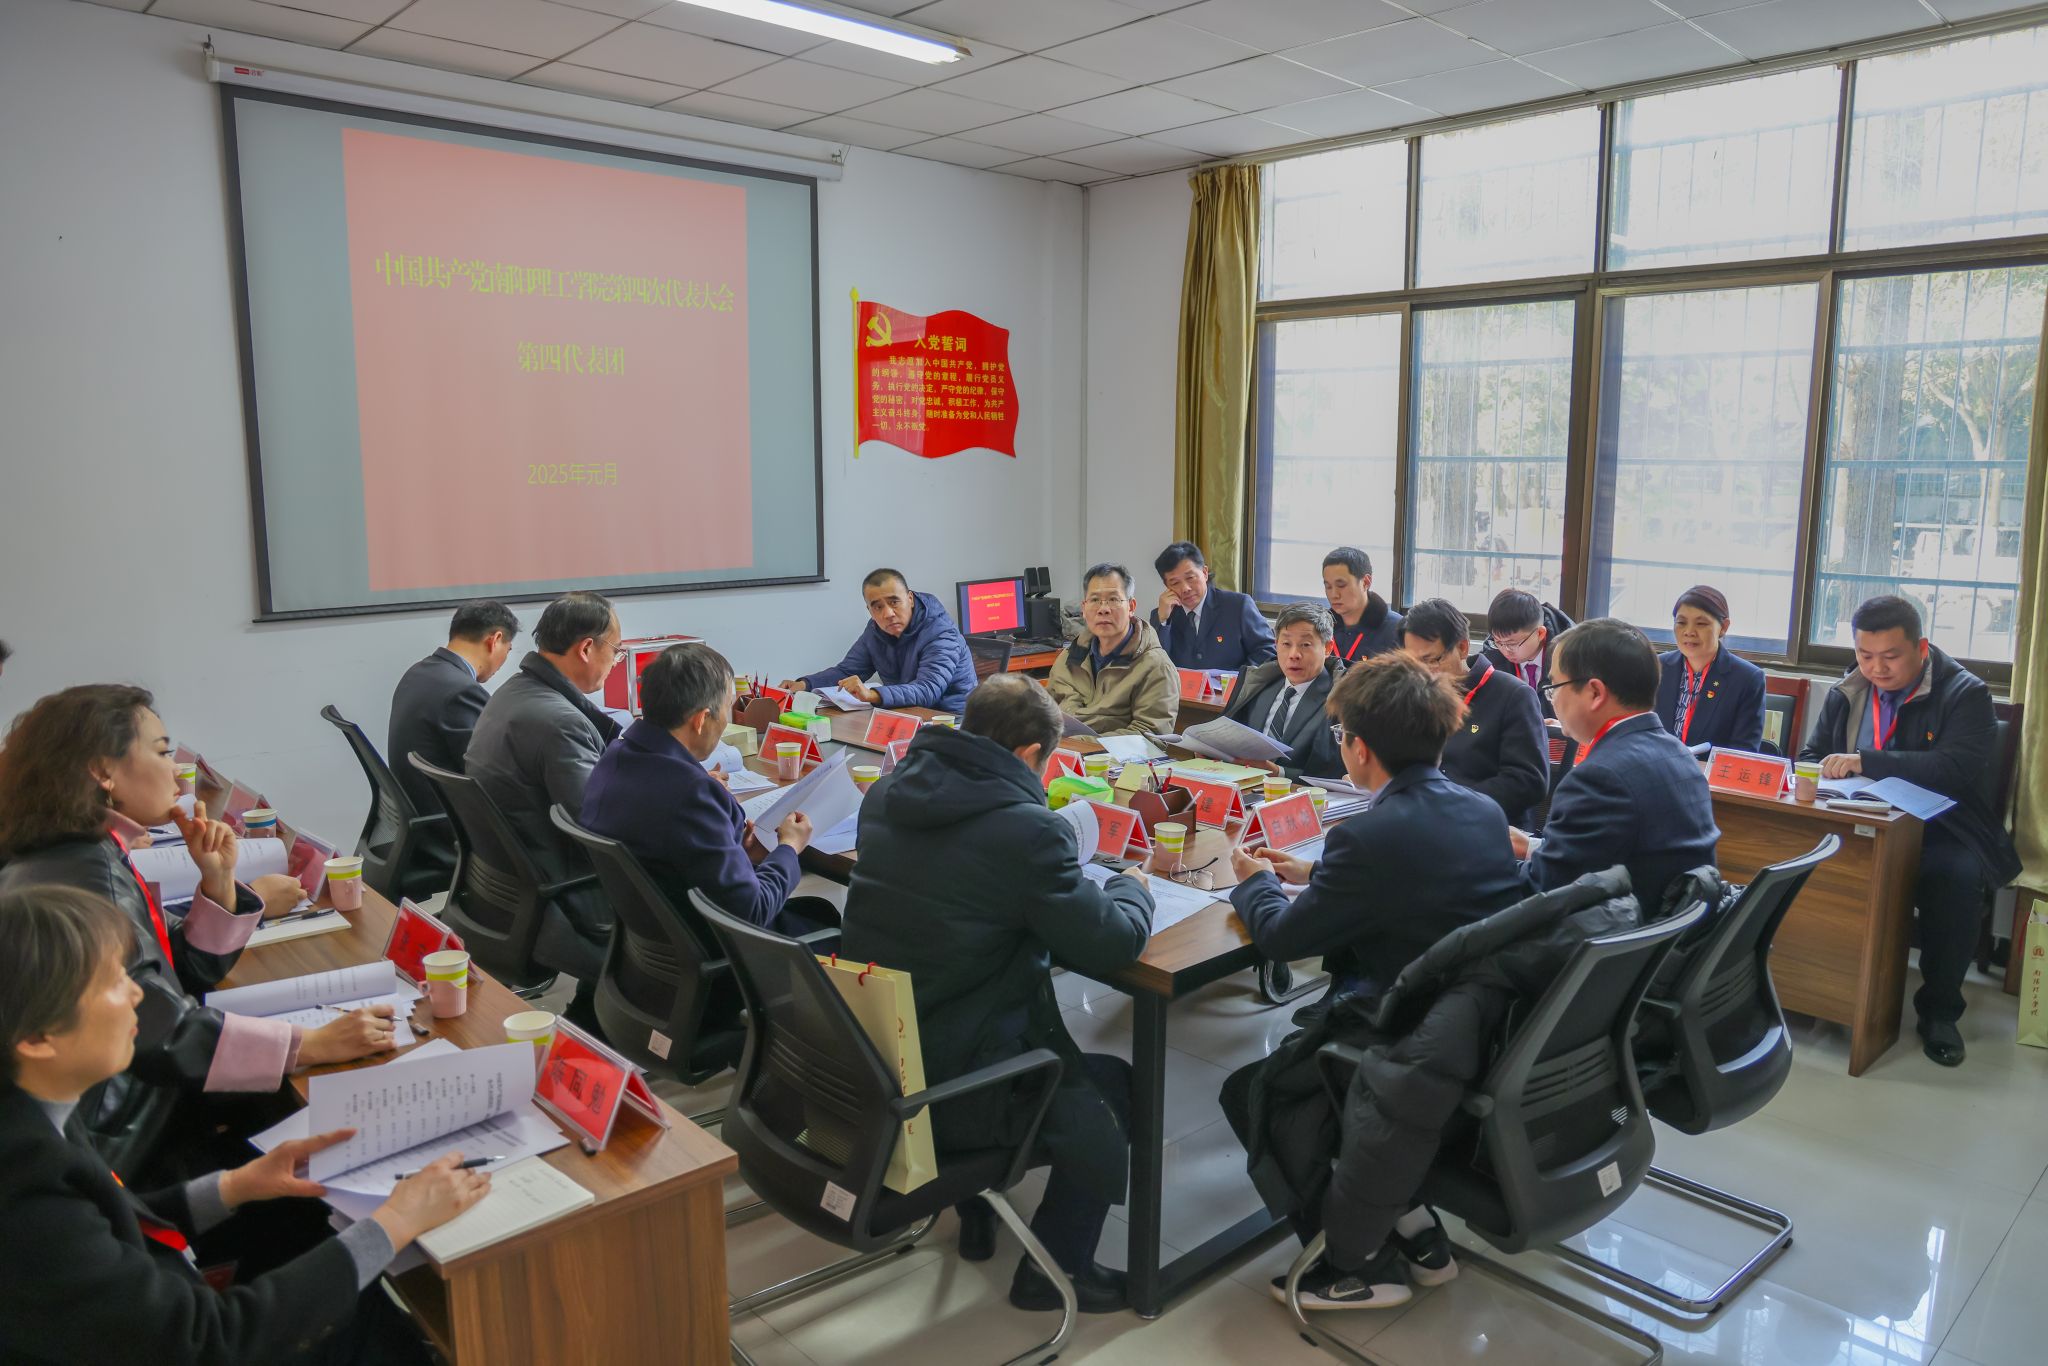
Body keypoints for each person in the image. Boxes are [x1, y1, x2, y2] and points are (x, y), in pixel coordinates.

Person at [0, 884, 490, 1366]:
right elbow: (211, 1342)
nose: (137, 994)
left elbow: (113, 1224)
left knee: (301, 1227)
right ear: (38, 1038)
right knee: (362, 1321)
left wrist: (237, 1185)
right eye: (112, 983)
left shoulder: (35, 1110)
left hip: (158, 1307)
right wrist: (396, 1222)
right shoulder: (28, 1197)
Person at [1218, 653, 1528, 1310]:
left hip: (1409, 1039)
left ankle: (1358, 1266)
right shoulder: (1480, 810)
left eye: (1340, 735)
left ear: (1358, 748)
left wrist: (1255, 883)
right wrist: (1316, 877)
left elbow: (1282, 940)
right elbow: (1416, 880)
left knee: (1250, 1091)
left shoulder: (1366, 838)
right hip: (1481, 1026)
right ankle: (1417, 1234)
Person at [839, 673, 1154, 1314]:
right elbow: (1113, 943)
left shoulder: (889, 792)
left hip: (879, 1057)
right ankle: (1057, 1268)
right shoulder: (1028, 831)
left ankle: (977, 1211)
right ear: (1030, 755)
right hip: (960, 1087)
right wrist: (1131, 888)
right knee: (1116, 1086)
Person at [0, 686, 396, 1175]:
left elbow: (176, 974)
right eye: (162, 752)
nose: (176, 772)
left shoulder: (75, 851)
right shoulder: (90, 878)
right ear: (102, 771)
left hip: (138, 1108)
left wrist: (218, 882)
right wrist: (312, 1044)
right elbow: (160, 1030)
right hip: (129, 1136)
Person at [1800, 595, 2020, 1067]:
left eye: (1890, 656)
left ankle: (1939, 1012)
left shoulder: (1965, 693)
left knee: (1955, 879)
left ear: (1921, 648)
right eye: (1865, 655)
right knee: (1802, 858)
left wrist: (1865, 761)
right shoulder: (1849, 690)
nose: (1876, 668)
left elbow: (1952, 769)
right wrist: (1819, 772)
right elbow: (1813, 755)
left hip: (1941, 828)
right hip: (1860, 822)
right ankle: (1812, 987)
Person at [582, 642, 837, 945]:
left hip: (655, 940)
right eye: (727, 708)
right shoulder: (691, 792)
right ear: (701, 720)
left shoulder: (614, 758)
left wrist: (732, 847)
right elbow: (752, 913)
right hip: (721, 949)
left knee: (817, 910)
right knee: (830, 923)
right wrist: (788, 847)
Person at [464, 591, 623, 1015]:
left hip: (510, 882)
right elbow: (600, 825)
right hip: (566, 890)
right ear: (586, 648)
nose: (616, 661)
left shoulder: (512, 693)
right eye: (616, 650)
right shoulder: (561, 721)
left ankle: (596, 1014)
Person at [1514, 619, 1718, 909]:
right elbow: (1604, 855)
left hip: (1616, 931)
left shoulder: (1599, 778)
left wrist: (1476, 860)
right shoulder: (1678, 754)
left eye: (1554, 686)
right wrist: (1533, 848)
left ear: (1595, 693)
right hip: (1667, 928)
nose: (1552, 699)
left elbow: (1544, 890)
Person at [387, 600, 519, 879]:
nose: (504, 661)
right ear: (495, 640)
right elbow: (492, 776)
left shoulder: (420, 672)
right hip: (450, 834)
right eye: (508, 650)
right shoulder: (461, 691)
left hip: (420, 822)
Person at [1400, 597, 1548, 828]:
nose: (1424, 673)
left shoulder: (1513, 695)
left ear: (1462, 647)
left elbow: (1528, 781)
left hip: (1485, 824)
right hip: (1424, 817)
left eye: (1432, 660)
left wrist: (1451, 801)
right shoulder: (1416, 694)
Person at [784, 568, 977, 713]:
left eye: (894, 602)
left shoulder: (941, 633)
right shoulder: (875, 630)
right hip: (906, 714)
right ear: (869, 610)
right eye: (877, 607)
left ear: (910, 599)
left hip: (950, 721)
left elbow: (927, 690)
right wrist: (804, 685)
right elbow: (847, 671)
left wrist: (873, 695)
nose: (888, 614)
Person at [1047, 563, 1180, 738]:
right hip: (1064, 751)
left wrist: (1082, 743)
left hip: (1114, 755)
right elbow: (1044, 713)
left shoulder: (1156, 666)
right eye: (1095, 600)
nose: (1103, 609)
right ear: (1084, 608)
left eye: (1113, 599)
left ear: (1131, 606)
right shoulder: (1068, 657)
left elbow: (1150, 736)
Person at [1219, 602, 1345, 781]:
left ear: (1327, 648)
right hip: (1244, 784)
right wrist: (1212, 753)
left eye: (1305, 645)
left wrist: (1280, 772)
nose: (1294, 654)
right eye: (1286, 643)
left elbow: (1339, 773)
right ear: (1276, 644)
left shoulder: (1340, 698)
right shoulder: (1259, 686)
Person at [1654, 586, 1766, 754]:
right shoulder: (1656, 667)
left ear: (1724, 627)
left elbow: (1744, 752)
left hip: (1708, 771)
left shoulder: (1747, 679)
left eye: (1701, 624)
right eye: (1681, 623)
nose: (1689, 632)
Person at [1148, 541, 1275, 672]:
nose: (1185, 588)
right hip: (1181, 686)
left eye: (1190, 578)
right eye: (1175, 583)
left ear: (1204, 573)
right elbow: (1156, 665)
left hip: (1234, 684)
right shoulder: (1162, 616)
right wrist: (1163, 621)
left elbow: (1267, 652)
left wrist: (1239, 679)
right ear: (1167, 587)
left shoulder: (1238, 606)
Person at [1481, 589, 1574, 720]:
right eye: (1498, 642)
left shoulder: (1570, 658)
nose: (1506, 650)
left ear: (1540, 633)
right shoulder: (1491, 658)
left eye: (1512, 643)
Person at [1322, 547, 1404, 663]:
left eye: (1341, 585)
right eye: (1328, 587)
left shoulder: (1397, 630)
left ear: (1366, 582)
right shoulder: (1320, 628)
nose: (1334, 594)